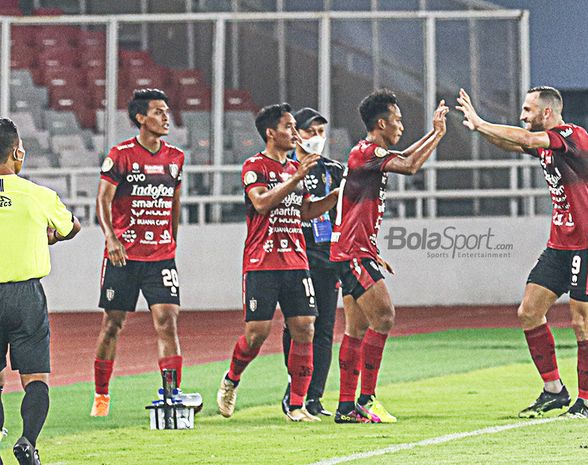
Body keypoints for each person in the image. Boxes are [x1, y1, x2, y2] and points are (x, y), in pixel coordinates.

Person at [456, 86, 588, 418]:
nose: (522, 116)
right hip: (560, 243)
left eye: (527, 111)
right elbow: (512, 142)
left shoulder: (573, 136)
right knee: (529, 312)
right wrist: (479, 128)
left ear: (546, 113)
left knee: (581, 322)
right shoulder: (545, 144)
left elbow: (526, 140)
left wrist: (482, 121)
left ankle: (586, 401)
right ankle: (554, 390)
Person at [330, 89, 449, 423]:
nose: (401, 125)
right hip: (353, 251)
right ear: (381, 123)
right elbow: (410, 165)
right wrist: (438, 135)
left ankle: (345, 407)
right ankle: (366, 399)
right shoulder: (366, 153)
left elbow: (405, 155)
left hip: (354, 249)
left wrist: (432, 133)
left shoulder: (368, 152)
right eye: (397, 119)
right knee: (384, 317)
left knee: (356, 329)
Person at [216, 103, 339, 422]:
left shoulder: (295, 170)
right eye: (289, 127)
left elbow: (306, 212)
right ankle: (232, 379)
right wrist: (296, 176)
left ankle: (296, 405)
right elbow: (260, 203)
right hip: (262, 260)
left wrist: (339, 194)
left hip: (296, 260)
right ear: (271, 133)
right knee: (256, 333)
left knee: (305, 328)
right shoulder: (255, 165)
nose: (294, 133)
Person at [90, 88, 196, 417]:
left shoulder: (175, 158)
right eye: (159, 112)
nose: (167, 118)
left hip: (160, 256)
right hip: (123, 256)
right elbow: (103, 199)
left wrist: (172, 241)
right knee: (113, 324)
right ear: (141, 118)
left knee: (167, 321)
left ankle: (171, 393)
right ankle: (101, 395)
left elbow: (175, 204)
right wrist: (111, 238)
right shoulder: (120, 155)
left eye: (167, 112)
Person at [0, 117, 81, 465]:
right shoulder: (38, 195)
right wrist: (51, 236)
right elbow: (73, 227)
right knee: (36, 379)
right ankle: (27, 441)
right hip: (25, 296)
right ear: (17, 152)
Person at [280, 108, 345, 418]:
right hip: (296, 256)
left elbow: (345, 214)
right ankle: (296, 389)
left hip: (327, 258)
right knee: (296, 326)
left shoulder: (335, 170)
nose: (317, 138)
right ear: (296, 135)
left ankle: (314, 397)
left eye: (321, 131)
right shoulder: (285, 169)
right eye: (310, 131)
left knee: (325, 329)